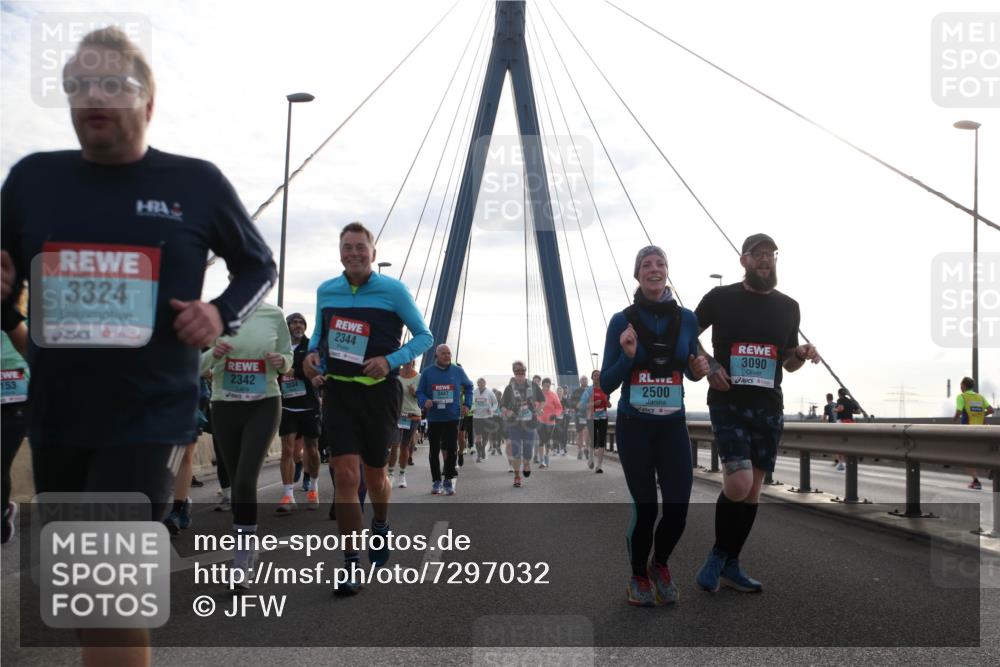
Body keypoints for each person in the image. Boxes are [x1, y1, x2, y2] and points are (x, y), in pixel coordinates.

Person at [0, 26, 276, 666]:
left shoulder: (195, 185)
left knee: (104, 594)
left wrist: (219, 312)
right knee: (84, 605)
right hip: (58, 417)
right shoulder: (32, 180)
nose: (92, 95)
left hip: (148, 415)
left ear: (148, 104)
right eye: (77, 84)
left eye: (111, 84)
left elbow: (258, 267)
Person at [303, 221, 432, 596]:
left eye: (361, 247)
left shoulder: (393, 291)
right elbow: (318, 335)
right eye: (348, 247)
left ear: (373, 254)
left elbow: (425, 337)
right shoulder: (326, 290)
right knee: (345, 477)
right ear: (340, 252)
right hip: (340, 393)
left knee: (375, 476)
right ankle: (349, 564)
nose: (354, 253)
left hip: (380, 394)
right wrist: (313, 356)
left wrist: (391, 361)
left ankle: (380, 523)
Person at [694, 234, 820, 594]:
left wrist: (800, 352)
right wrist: (711, 364)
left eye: (771, 254)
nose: (766, 260)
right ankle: (720, 555)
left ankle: (729, 563)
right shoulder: (721, 297)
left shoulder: (789, 306)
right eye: (758, 254)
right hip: (728, 401)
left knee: (753, 493)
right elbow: (688, 334)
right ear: (744, 260)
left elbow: (787, 362)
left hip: (768, 406)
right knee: (738, 482)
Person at [601, 245, 709, 606]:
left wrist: (698, 371)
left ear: (667, 272)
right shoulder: (622, 320)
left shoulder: (687, 319)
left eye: (660, 263)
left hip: (672, 426)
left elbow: (692, 369)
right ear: (637, 275)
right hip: (635, 426)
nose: (654, 269)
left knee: (678, 507)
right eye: (646, 264)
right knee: (646, 508)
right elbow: (607, 384)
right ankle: (637, 573)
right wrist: (628, 357)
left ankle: (659, 563)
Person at [201, 298, 291, 585]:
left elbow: (287, 357)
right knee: (233, 476)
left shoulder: (274, 314)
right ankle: (246, 542)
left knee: (243, 480)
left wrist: (282, 362)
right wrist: (214, 353)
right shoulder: (214, 312)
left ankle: (242, 558)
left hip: (264, 403)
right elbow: (196, 363)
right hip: (225, 404)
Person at [277, 312, 322, 510]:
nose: (297, 326)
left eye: (301, 322)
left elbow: (316, 371)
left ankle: (313, 487)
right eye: (293, 322)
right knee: (287, 450)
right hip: (287, 405)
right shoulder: (280, 347)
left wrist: (295, 373)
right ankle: (288, 495)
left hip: (309, 405)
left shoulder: (312, 346)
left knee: (312, 449)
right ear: (287, 326)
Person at [416, 344, 473, 495]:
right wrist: (424, 401)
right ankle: (436, 481)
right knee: (434, 451)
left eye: (449, 353)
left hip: (452, 416)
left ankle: (447, 480)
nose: (447, 356)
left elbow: (469, 387)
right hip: (434, 417)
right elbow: (420, 392)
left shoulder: (458, 371)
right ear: (436, 355)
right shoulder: (427, 372)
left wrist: (467, 404)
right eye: (443, 353)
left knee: (451, 449)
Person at [501, 361, 545, 488]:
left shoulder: (533, 386)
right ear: (513, 372)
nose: (520, 373)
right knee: (516, 451)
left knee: (527, 450)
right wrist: (506, 411)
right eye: (517, 371)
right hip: (514, 424)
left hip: (530, 423)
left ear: (525, 372)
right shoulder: (509, 388)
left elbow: (542, 400)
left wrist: (539, 408)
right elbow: (502, 405)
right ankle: (517, 476)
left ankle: (526, 464)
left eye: (522, 371)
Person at [953, 376, 995, 489]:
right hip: (982, 430)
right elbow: (991, 410)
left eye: (961, 385)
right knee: (981, 453)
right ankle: (992, 467)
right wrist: (981, 414)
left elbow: (959, 411)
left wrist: (954, 420)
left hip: (968, 431)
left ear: (963, 386)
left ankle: (976, 481)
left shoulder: (961, 397)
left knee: (967, 457)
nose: (960, 387)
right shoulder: (980, 397)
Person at [390, 359, 421, 488]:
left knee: (405, 446)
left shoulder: (419, 377)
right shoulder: (396, 375)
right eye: (406, 361)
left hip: (412, 415)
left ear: (413, 362)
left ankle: (402, 475)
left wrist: (416, 393)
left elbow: (424, 395)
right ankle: (390, 474)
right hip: (397, 414)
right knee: (394, 444)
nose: (408, 363)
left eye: (410, 361)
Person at [585, 369, 611, 473]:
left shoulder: (605, 389)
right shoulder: (588, 390)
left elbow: (608, 404)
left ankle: (599, 466)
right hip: (591, 417)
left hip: (603, 417)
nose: (597, 377)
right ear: (592, 378)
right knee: (593, 440)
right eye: (595, 375)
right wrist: (594, 403)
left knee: (601, 441)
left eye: (599, 375)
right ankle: (591, 458)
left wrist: (608, 404)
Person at [537, 378, 563, 468]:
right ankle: (541, 461)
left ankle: (546, 456)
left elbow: (559, 407)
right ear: (542, 385)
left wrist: (555, 415)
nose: (547, 388)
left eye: (548, 386)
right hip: (539, 420)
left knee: (547, 441)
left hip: (550, 422)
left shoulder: (553, 395)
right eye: (545, 386)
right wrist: (537, 411)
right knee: (541, 440)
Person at [472, 377, 499, 463]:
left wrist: (492, 409)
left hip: (487, 417)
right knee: (478, 436)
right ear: (477, 384)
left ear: (485, 383)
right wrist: (472, 408)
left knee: (485, 436)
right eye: (479, 383)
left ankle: (483, 449)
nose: (481, 384)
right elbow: (471, 402)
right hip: (477, 417)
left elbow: (495, 403)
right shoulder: (474, 392)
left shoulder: (490, 392)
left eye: (482, 383)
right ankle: (479, 454)